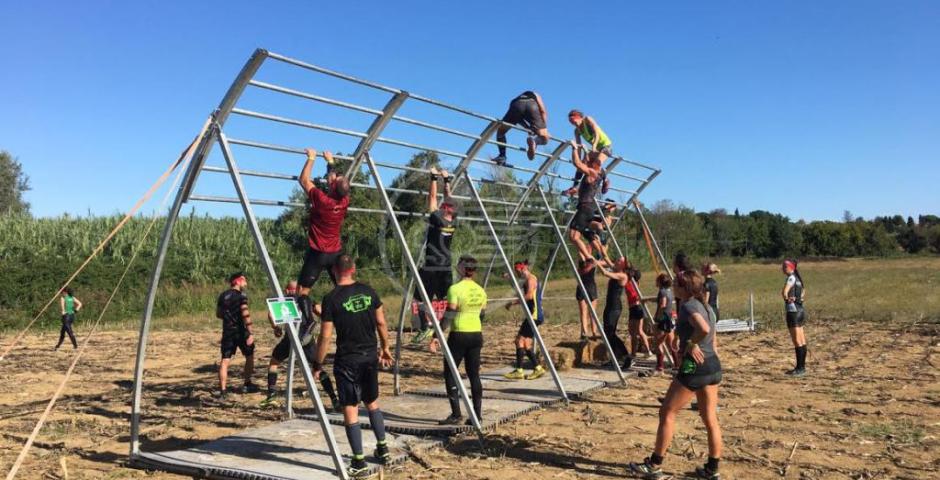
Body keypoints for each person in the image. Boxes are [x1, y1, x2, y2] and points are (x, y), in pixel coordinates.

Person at [629, 269, 723, 480]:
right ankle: (712, 468)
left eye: (676, 284)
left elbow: (704, 329)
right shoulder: (707, 306)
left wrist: (690, 344)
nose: (673, 287)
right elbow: (712, 337)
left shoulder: (689, 305)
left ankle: (654, 465)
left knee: (667, 412)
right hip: (712, 366)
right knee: (710, 418)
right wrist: (683, 343)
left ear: (684, 287)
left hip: (694, 367)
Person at [312, 255, 394, 476]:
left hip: (347, 360)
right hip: (369, 356)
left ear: (335, 271)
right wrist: (385, 347)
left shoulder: (331, 298)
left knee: (350, 408)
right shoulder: (369, 291)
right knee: (372, 402)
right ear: (354, 269)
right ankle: (383, 449)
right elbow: (381, 322)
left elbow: (325, 336)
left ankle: (358, 462)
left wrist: (317, 364)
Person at [260, 280, 339, 411]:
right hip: (306, 340)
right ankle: (334, 399)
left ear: (286, 290)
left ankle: (271, 395)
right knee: (317, 368)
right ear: (299, 288)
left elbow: (270, 314)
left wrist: (275, 327)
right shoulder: (305, 299)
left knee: (274, 363)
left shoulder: (283, 300)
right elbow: (320, 311)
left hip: (290, 339)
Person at [431, 256, 487, 425]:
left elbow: (449, 315)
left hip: (459, 335)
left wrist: (436, 336)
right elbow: (482, 314)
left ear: (462, 268)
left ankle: (456, 414)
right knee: (474, 375)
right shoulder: (480, 290)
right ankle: (476, 415)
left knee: (450, 373)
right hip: (476, 334)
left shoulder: (455, 289)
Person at [297, 148, 351, 320]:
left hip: (318, 252)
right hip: (335, 252)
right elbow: (333, 181)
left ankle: (307, 323)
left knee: (302, 291)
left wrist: (311, 158)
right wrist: (330, 162)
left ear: (333, 187)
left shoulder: (323, 200)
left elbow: (304, 180)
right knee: (343, 288)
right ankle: (345, 319)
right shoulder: (344, 200)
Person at [412, 167, 458, 345]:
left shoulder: (437, 219)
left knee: (420, 297)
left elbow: (432, 198)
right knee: (448, 299)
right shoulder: (452, 222)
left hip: (431, 265)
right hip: (445, 267)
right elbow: (449, 198)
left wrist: (433, 177)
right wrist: (446, 180)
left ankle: (425, 326)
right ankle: (443, 326)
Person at [216, 272, 258, 398]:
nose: (246, 283)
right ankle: (247, 383)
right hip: (240, 331)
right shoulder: (241, 296)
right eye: (244, 280)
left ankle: (223, 391)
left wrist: (229, 318)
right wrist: (250, 332)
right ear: (238, 281)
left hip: (228, 331)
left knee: (225, 360)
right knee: (249, 355)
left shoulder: (223, 296)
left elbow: (218, 314)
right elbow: (245, 314)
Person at [503, 260, 546, 380]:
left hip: (534, 315)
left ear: (522, 269)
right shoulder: (528, 279)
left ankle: (519, 370)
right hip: (534, 315)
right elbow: (519, 287)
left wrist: (513, 303)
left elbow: (529, 296)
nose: (516, 274)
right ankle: (537, 369)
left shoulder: (531, 279)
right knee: (526, 343)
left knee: (519, 341)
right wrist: (509, 279)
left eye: (517, 271)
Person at [565, 142, 604, 262]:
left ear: (593, 163)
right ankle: (594, 252)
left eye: (588, 160)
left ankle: (589, 257)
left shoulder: (592, 172)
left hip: (585, 208)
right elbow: (585, 189)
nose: (586, 161)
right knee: (574, 236)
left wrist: (574, 148)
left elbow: (577, 163)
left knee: (573, 236)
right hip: (588, 208)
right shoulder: (597, 174)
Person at [494, 91, 550, 165]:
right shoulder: (535, 94)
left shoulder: (517, 98)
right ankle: (535, 142)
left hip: (515, 105)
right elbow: (543, 111)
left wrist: (527, 127)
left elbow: (518, 119)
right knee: (545, 139)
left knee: (500, 133)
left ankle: (502, 156)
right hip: (531, 104)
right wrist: (544, 128)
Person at [596, 258, 632, 369]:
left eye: (618, 261)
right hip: (610, 306)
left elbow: (605, 273)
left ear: (623, 265)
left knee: (610, 334)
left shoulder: (623, 276)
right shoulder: (617, 271)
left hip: (614, 307)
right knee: (608, 334)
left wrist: (596, 263)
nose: (615, 261)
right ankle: (614, 358)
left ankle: (626, 356)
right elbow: (607, 259)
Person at [567, 109, 613, 188]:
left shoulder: (587, 120)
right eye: (572, 123)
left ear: (579, 118)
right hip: (597, 149)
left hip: (606, 146)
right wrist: (578, 159)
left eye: (574, 121)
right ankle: (574, 187)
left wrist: (594, 145)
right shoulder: (577, 131)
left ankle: (605, 180)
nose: (574, 124)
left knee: (596, 164)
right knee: (583, 163)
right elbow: (579, 146)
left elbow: (597, 133)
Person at [782, 259, 808, 377]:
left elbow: (784, 292)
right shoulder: (798, 279)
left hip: (793, 312)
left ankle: (799, 368)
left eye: (785, 266)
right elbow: (803, 292)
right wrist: (799, 299)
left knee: (797, 341)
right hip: (801, 310)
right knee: (802, 341)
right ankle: (801, 367)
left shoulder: (791, 278)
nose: (783, 268)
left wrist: (787, 299)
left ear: (791, 267)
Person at [653, 273, 680, 373]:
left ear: (660, 282)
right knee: (671, 342)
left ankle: (660, 366)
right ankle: (677, 364)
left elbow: (663, 304)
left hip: (663, 318)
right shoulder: (670, 291)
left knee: (658, 343)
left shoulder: (662, 292)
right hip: (670, 317)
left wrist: (657, 316)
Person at [625, 268, 652, 358]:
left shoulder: (631, 283)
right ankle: (633, 353)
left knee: (639, 331)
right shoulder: (632, 283)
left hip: (637, 307)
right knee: (632, 332)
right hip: (632, 308)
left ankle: (648, 351)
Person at [575, 258, 600, 340]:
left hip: (588, 287)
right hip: (586, 287)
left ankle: (591, 333)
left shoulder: (590, 262)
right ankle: (586, 333)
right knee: (586, 312)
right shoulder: (589, 263)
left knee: (589, 313)